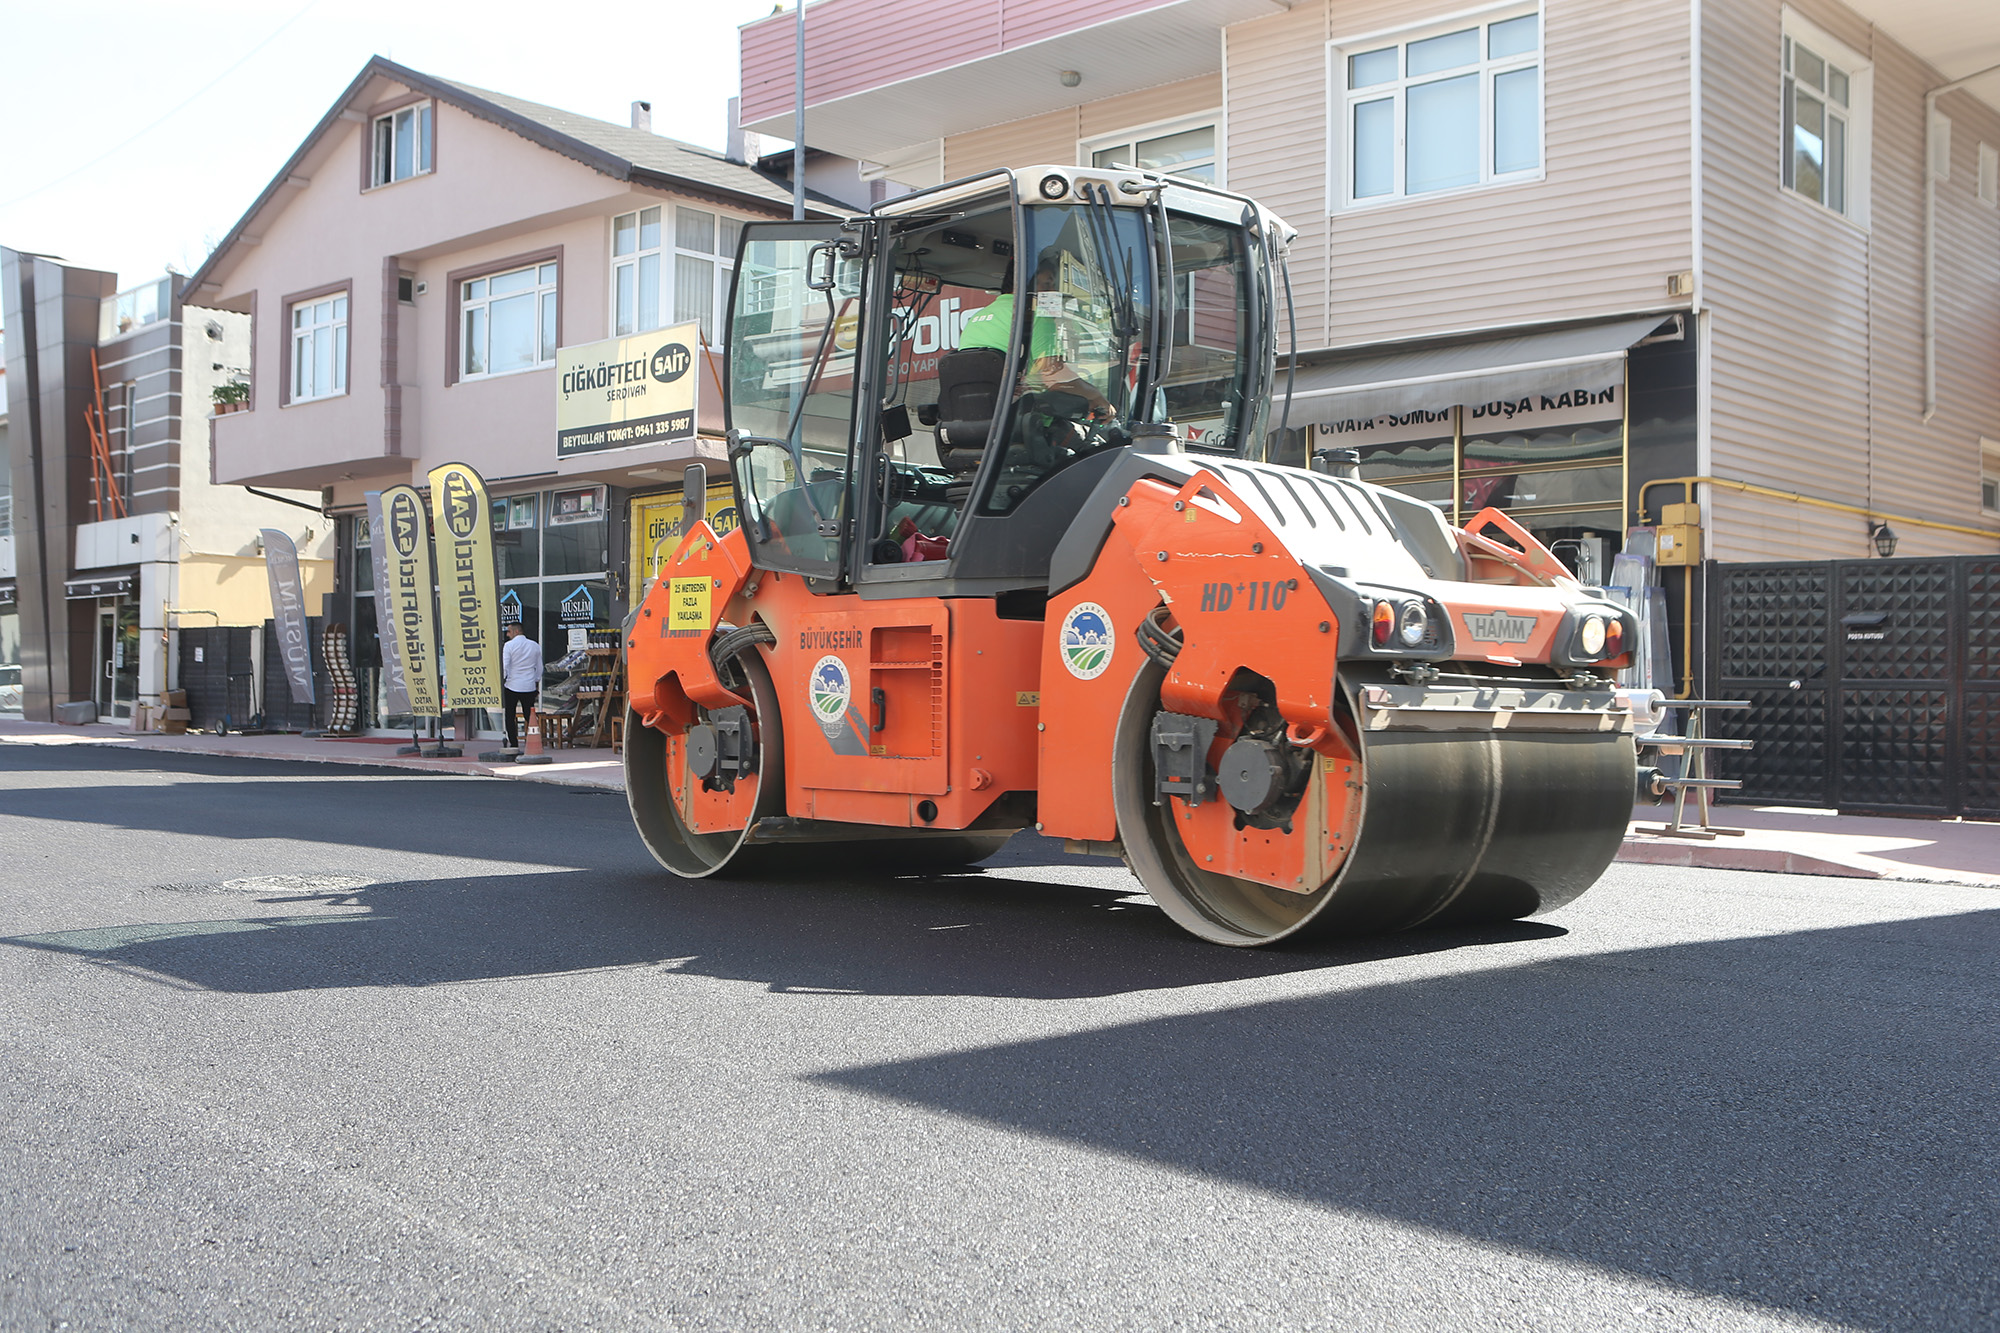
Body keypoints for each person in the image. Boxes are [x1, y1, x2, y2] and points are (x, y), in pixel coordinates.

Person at [958, 256, 1116, 422]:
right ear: (1026, 283)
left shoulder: (977, 317)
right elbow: (1055, 379)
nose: (1053, 292)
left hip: (980, 422)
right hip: (1025, 424)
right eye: (1047, 284)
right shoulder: (1035, 315)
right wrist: (1097, 396)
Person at [501, 620, 541, 750]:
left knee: (510, 715)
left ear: (516, 631)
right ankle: (534, 741)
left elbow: (505, 666)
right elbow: (539, 667)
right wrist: (536, 681)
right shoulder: (534, 645)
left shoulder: (509, 646)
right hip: (529, 685)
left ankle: (513, 743)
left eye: (509, 631)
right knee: (529, 715)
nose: (507, 634)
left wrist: (502, 679)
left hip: (512, 684)